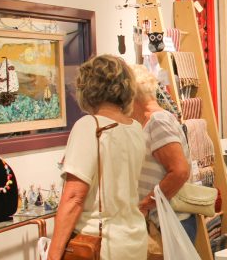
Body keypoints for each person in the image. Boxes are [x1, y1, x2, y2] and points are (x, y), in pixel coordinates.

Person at [47, 55, 147, 260]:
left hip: (100, 243)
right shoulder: (135, 128)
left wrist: (53, 254)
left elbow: (74, 197)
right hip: (134, 239)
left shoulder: (90, 126)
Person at [130, 65, 197, 260]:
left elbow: (179, 171)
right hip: (163, 219)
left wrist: (145, 204)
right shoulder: (152, 121)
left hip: (169, 221)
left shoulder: (157, 121)